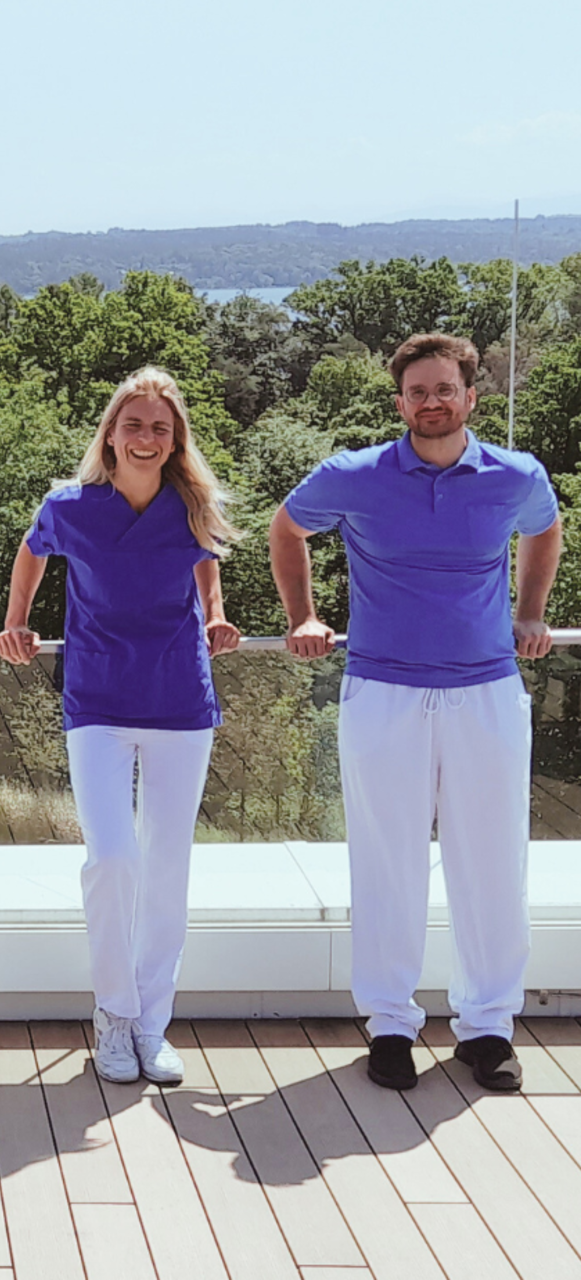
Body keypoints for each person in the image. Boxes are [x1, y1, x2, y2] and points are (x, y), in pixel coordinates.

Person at [271, 332, 563, 1093]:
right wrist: (303, 615)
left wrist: (531, 611)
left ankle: (489, 1026)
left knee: (494, 859)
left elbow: (544, 526)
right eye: (417, 392)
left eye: (445, 389)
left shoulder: (515, 474)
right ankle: (392, 1026)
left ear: (470, 396)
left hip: (487, 690)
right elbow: (287, 528)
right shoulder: (354, 475)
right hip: (383, 690)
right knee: (385, 858)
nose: (431, 402)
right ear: (399, 402)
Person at [0, 367, 241, 1085]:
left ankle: (153, 1025)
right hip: (97, 700)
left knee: (167, 865)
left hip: (180, 702)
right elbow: (31, 554)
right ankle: (114, 1015)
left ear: (174, 441)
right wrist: (16, 623)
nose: (145, 437)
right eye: (133, 424)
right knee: (113, 860)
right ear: (110, 434)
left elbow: (208, 570)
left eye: (159, 428)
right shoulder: (70, 507)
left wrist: (217, 616)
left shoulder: (192, 505)